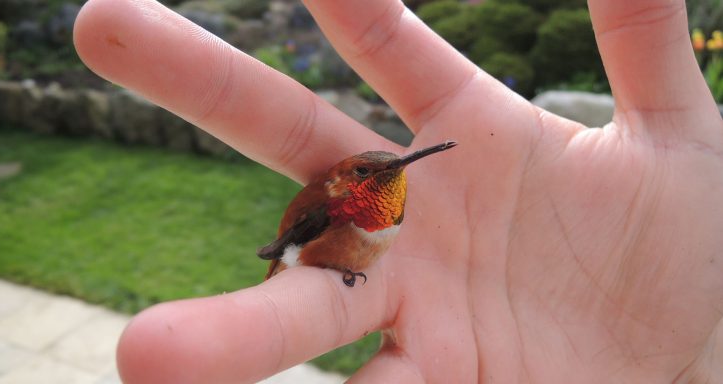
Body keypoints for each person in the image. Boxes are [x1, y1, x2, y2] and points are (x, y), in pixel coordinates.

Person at [73, 0, 723, 382]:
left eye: (395, 170)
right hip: (313, 250)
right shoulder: (329, 208)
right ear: (346, 182)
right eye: (370, 173)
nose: (390, 176)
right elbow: (298, 239)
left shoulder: (390, 205)